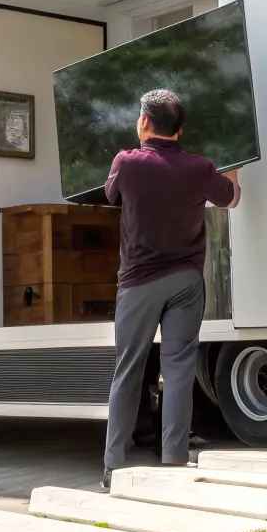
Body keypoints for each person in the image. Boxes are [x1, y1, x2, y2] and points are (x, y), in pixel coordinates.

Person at [102, 89, 241, 487]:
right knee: (179, 368)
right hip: (185, 281)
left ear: (145, 122)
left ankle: (113, 465)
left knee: (127, 371)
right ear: (180, 130)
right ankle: (175, 459)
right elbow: (232, 199)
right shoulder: (200, 168)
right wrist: (233, 165)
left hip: (139, 283)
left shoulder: (126, 163)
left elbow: (111, 196)